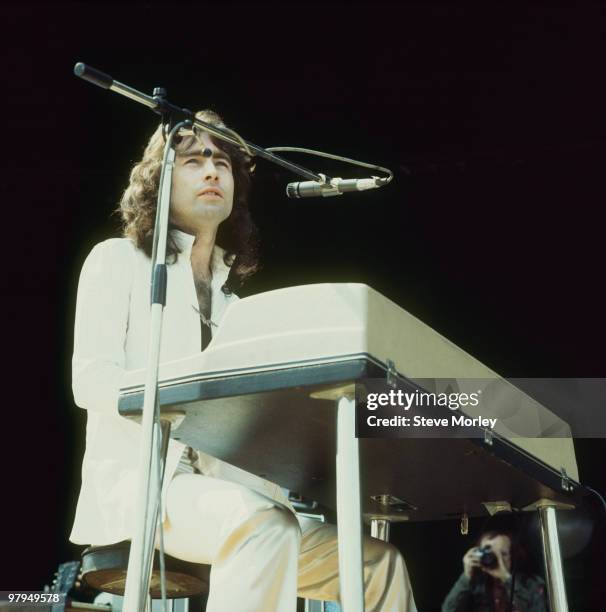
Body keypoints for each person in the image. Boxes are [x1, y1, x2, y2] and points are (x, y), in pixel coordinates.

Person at [70, 109, 417, 612]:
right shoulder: (117, 261)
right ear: (159, 181)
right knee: (263, 525)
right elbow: (91, 382)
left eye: (223, 163)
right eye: (193, 160)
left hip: (239, 500)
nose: (212, 171)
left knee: (378, 563)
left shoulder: (237, 309)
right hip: (147, 491)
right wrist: (187, 397)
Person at [442, 530, 547, 612]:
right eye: (488, 552)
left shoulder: (531, 584)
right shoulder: (476, 584)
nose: (495, 558)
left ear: (513, 557)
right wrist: (466, 576)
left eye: (503, 554)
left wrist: (507, 579)